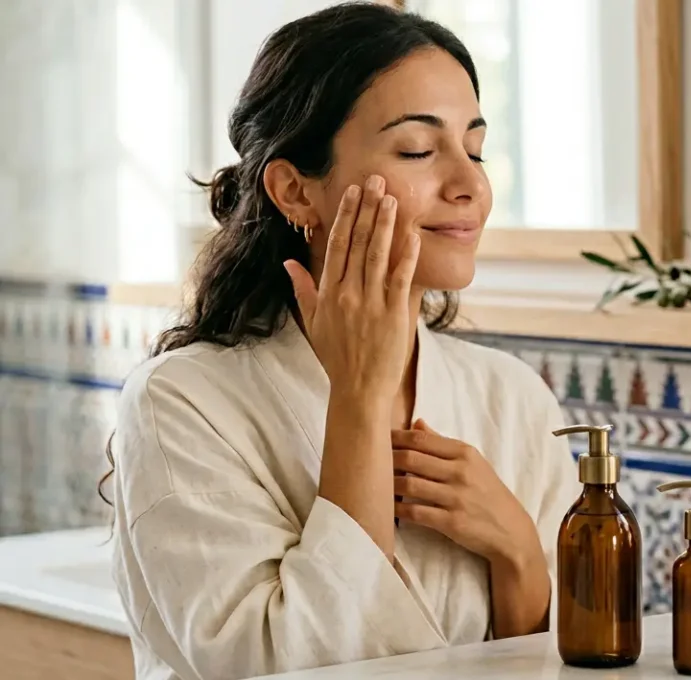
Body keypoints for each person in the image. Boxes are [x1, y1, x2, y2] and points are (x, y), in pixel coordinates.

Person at [102, 4, 580, 679]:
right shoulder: (179, 403)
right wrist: (358, 398)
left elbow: (570, 660)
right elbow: (270, 665)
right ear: (296, 190)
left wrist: (518, 553)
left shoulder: (512, 398)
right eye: (418, 150)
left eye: (474, 147)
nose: (470, 184)